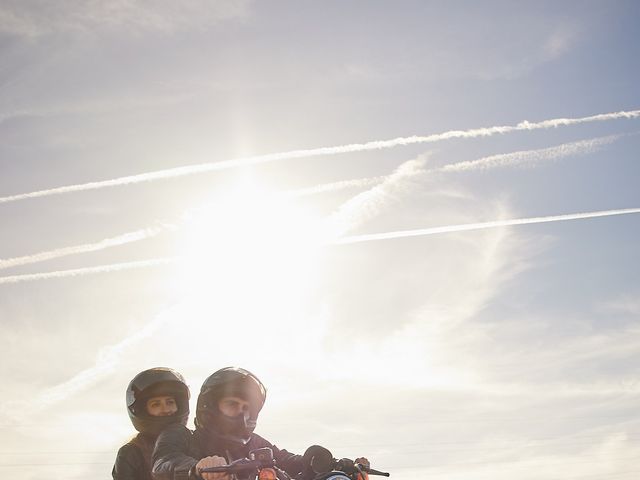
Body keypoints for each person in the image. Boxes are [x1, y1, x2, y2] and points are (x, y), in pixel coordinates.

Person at [152, 367, 368, 480]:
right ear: (210, 405)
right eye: (232, 404)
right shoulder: (182, 435)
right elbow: (164, 464)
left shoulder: (254, 444)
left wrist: (329, 464)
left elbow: (285, 459)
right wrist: (196, 468)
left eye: (247, 407)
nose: (241, 413)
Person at [113, 367, 191, 480]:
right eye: (156, 404)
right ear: (143, 410)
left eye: (170, 402)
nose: (165, 409)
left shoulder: (195, 440)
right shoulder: (131, 453)